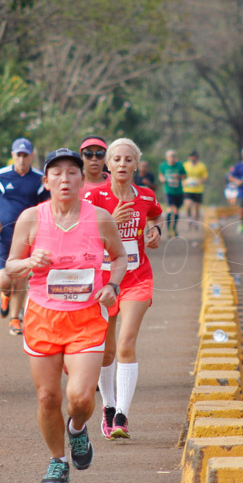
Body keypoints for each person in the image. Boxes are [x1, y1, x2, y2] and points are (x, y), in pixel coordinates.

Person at [4, 148, 126, 483]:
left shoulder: (100, 217)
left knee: (82, 398)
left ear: (82, 179)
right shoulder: (31, 218)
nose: (65, 178)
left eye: (73, 172)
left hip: (86, 318)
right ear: (46, 181)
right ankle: (57, 461)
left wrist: (113, 285)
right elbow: (10, 266)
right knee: (48, 398)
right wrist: (29, 263)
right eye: (56, 173)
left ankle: (77, 429)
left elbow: (119, 257)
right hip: (43, 317)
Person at [84, 138, 163, 439]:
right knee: (106, 351)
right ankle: (108, 405)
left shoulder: (145, 196)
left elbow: (155, 215)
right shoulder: (94, 198)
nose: (122, 164)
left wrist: (156, 230)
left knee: (127, 343)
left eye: (128, 159)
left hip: (137, 277)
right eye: (116, 159)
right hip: (103, 281)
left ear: (136, 164)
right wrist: (108, 225)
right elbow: (81, 237)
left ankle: (122, 417)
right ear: (107, 164)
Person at [0, 137, 49, 336]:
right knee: (4, 279)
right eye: (18, 155)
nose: (22, 159)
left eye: (26, 155)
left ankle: (15, 318)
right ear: (13, 156)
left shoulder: (40, 179)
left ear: (32, 156)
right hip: (5, 236)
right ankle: (5, 295)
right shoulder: (0, 176)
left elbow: (45, 209)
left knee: (21, 277)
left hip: (27, 238)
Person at [158, 150, 186, 238]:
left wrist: (179, 177)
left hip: (178, 191)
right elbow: (161, 175)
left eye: (174, 156)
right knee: (172, 209)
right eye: (170, 156)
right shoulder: (163, 166)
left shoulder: (180, 165)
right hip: (168, 191)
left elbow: (184, 175)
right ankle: (171, 229)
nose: (172, 158)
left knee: (175, 210)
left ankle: (173, 228)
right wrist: (162, 179)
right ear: (167, 158)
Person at [181, 150, 208, 228]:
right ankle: (189, 218)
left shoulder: (202, 166)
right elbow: (181, 175)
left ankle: (195, 222)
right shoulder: (185, 165)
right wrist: (183, 181)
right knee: (187, 205)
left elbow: (205, 177)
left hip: (198, 190)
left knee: (196, 208)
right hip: (187, 189)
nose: (192, 158)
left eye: (194, 157)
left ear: (197, 158)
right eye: (191, 157)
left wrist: (199, 181)